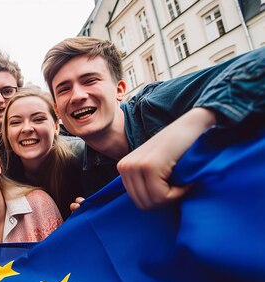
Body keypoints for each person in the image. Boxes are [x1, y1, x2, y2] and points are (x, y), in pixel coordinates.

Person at [42, 37, 265, 209]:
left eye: (90, 80)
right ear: (57, 110)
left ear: (119, 90)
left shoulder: (156, 103)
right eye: (64, 89)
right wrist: (96, 217)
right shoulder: (88, 172)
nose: (78, 95)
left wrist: (194, 123)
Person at [2, 87, 84, 219]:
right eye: (16, 122)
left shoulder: (83, 158)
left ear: (56, 127)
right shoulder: (2, 176)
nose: (27, 128)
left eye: (38, 119)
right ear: (6, 132)